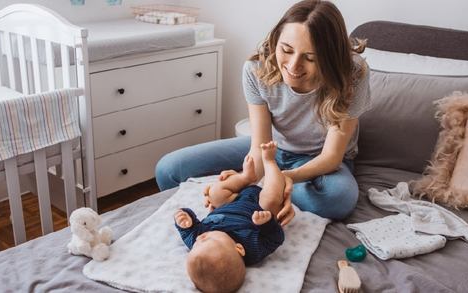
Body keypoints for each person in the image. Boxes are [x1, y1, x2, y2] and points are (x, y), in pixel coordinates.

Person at [156, 0, 370, 222]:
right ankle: (259, 193)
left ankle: (253, 195)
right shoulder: (256, 69)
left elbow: (331, 157)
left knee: (338, 199)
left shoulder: (353, 74)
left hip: (320, 158)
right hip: (271, 149)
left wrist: (281, 179)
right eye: (286, 50)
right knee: (169, 169)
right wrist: (251, 176)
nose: (294, 66)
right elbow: (259, 147)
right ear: (276, 40)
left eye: (310, 58)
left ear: (330, 58)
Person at [174, 141, 286, 293]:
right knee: (272, 199)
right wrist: (266, 223)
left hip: (231, 200)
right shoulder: (253, 249)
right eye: (209, 241)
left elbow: (189, 230)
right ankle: (270, 162)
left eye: (195, 246)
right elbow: (275, 239)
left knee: (215, 193)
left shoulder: (198, 238)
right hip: (259, 206)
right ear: (239, 248)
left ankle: (246, 177)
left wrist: (185, 221)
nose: (200, 239)